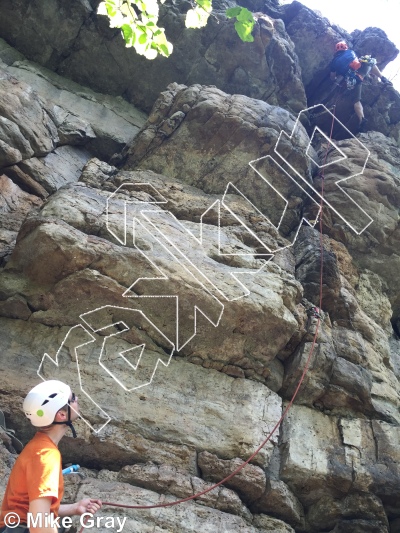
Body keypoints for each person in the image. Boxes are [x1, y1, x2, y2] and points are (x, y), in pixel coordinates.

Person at [0, 380, 102, 533]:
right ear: (61, 415)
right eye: (73, 398)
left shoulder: (37, 447)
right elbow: (39, 523)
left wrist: (75, 507)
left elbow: (31, 508)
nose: (77, 399)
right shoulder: (47, 455)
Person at [330, 40, 393, 130]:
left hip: (354, 79)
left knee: (356, 101)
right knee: (370, 63)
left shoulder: (334, 62)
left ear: (336, 51)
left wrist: (335, 80)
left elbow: (332, 76)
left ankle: (362, 119)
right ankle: (382, 78)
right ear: (345, 47)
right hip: (362, 69)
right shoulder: (351, 52)